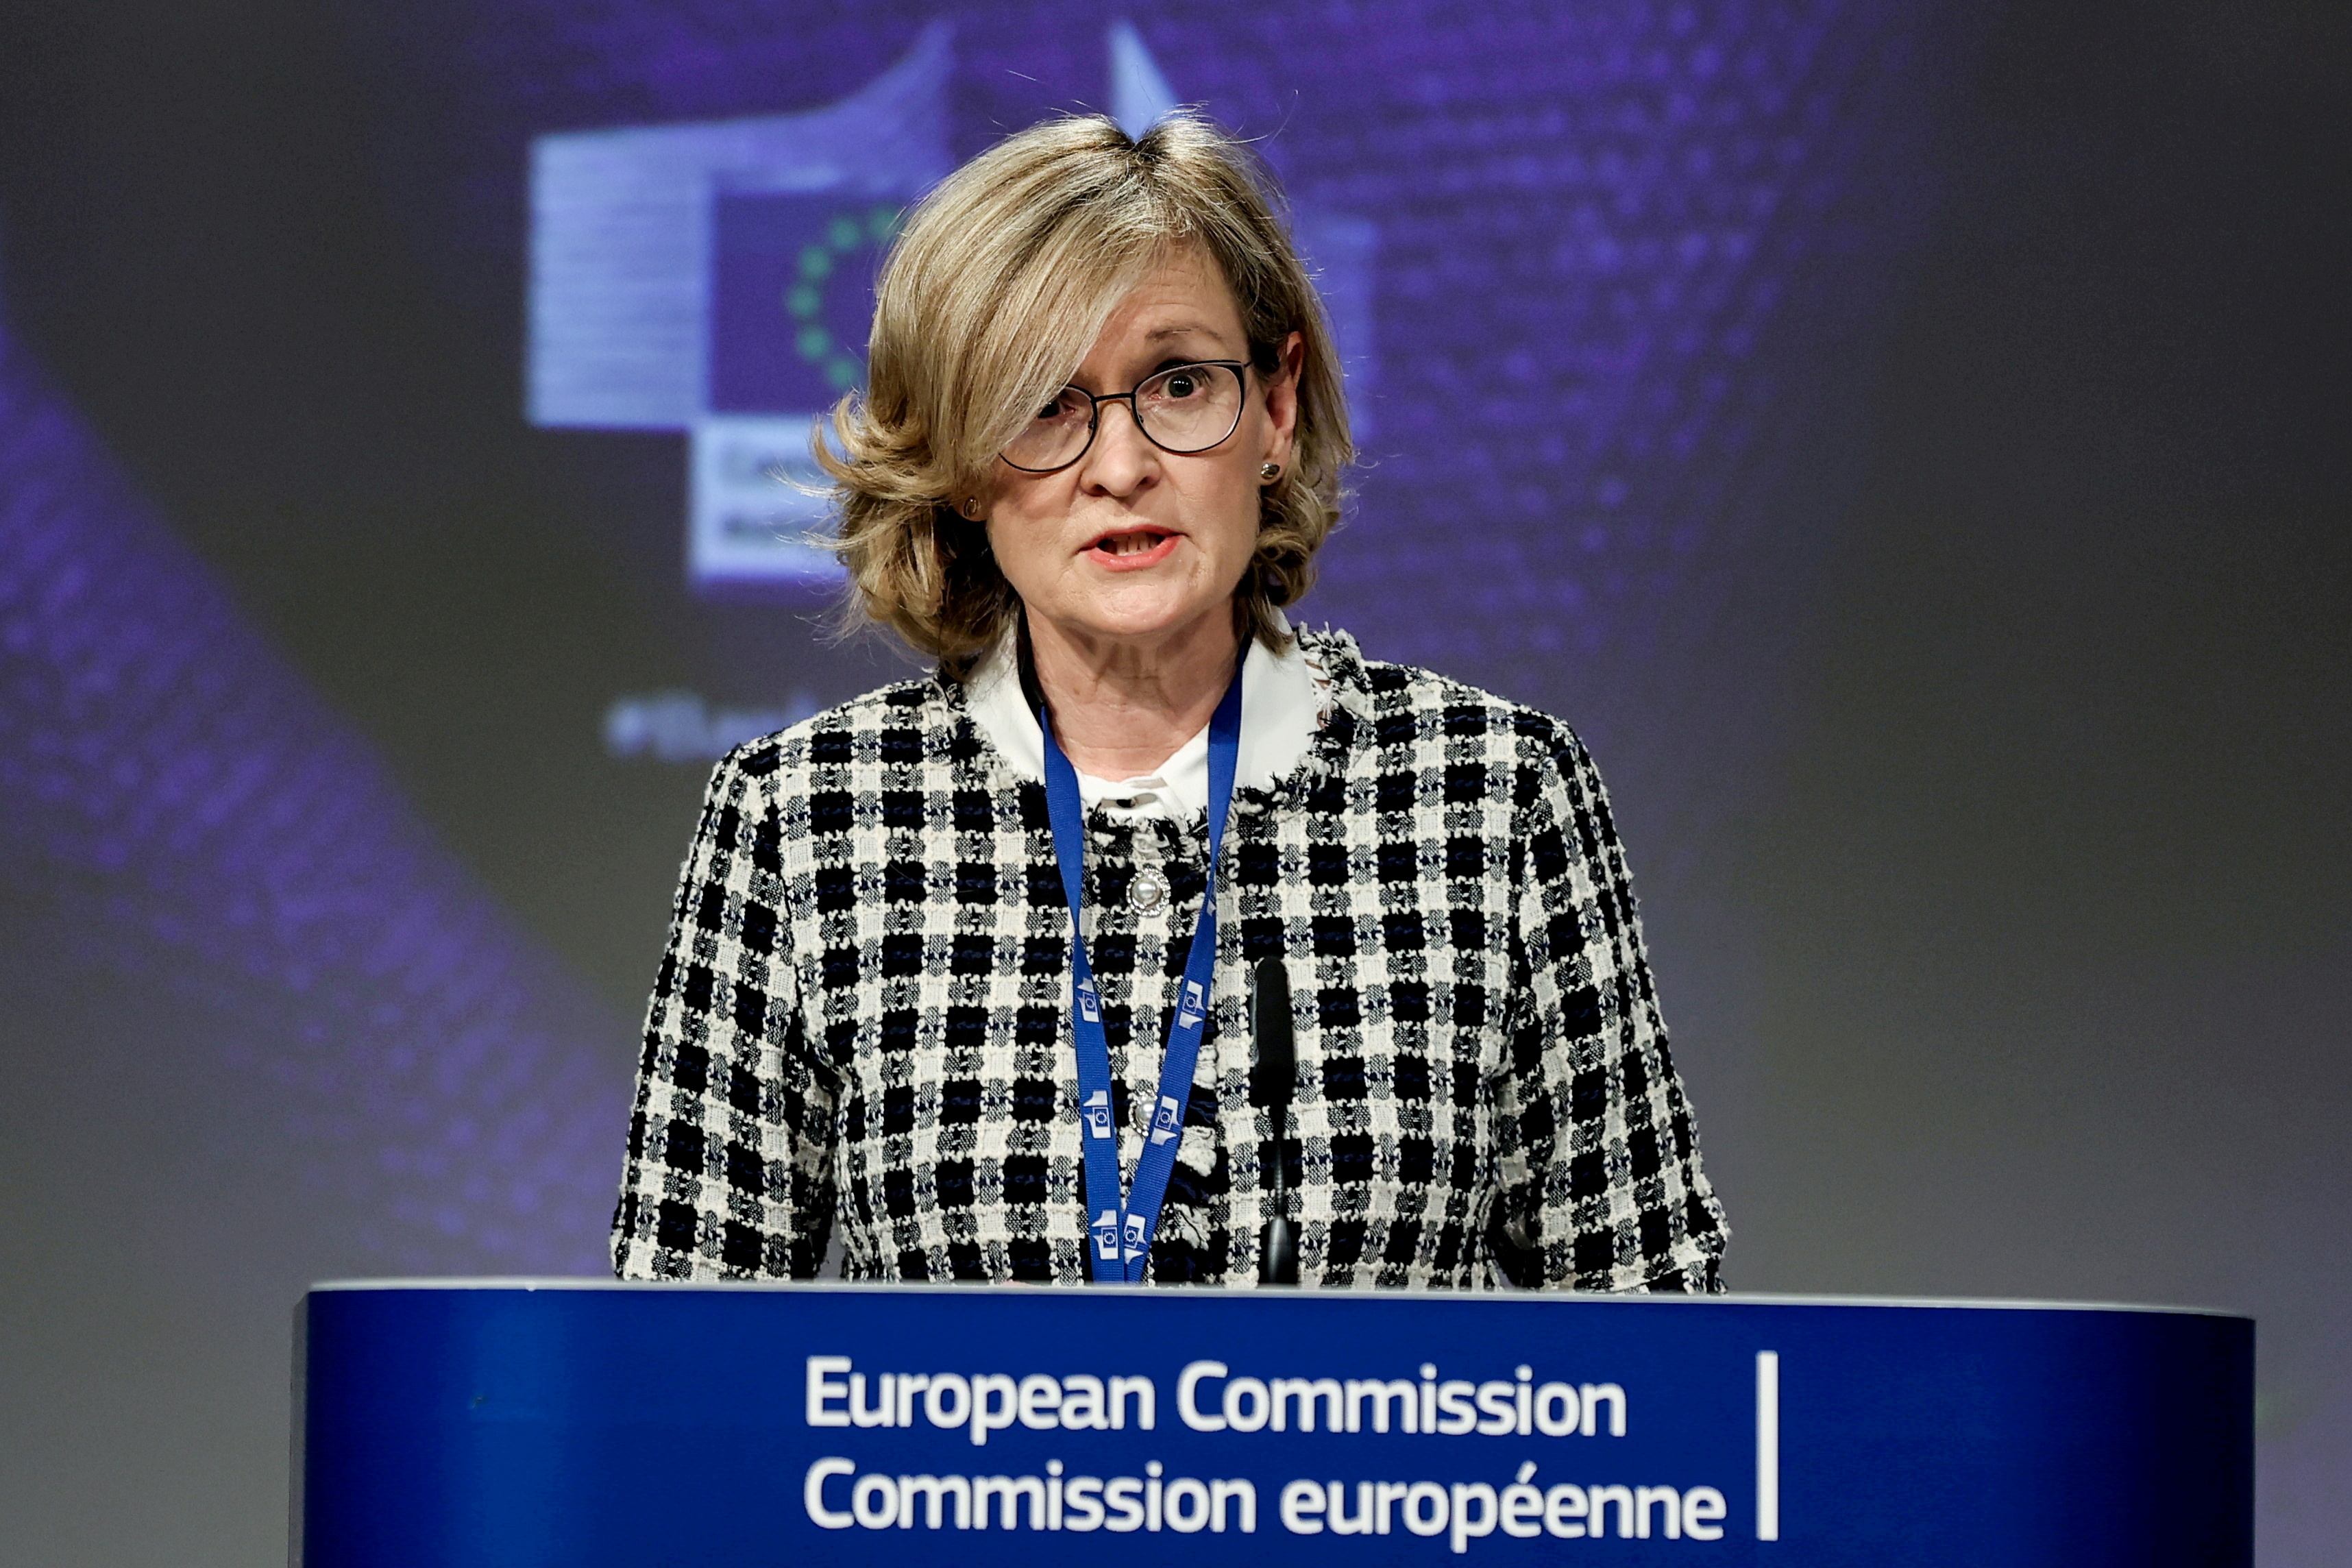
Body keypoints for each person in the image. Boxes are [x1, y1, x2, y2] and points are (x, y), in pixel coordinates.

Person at [611, 113, 1726, 1290]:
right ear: (959, 465)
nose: (1120, 465)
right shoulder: (807, 825)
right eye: (1046, 404)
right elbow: (680, 1384)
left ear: (1277, 410)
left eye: (1180, 383)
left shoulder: (1493, 802)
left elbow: (1656, 1357)